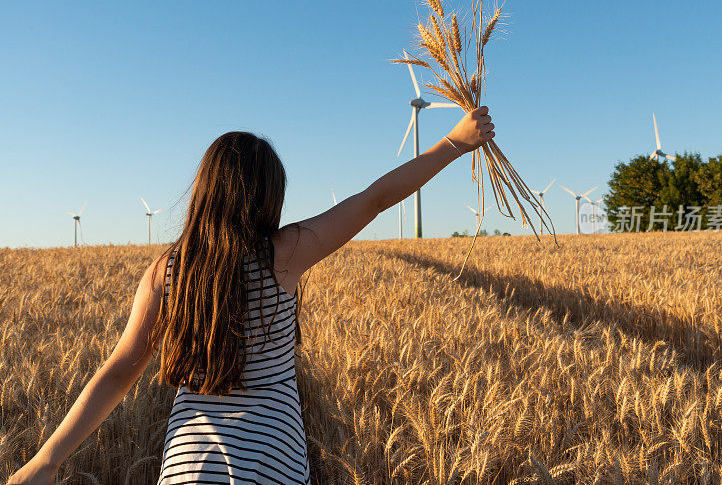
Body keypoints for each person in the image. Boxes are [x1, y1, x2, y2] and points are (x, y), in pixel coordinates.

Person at [7, 106, 494, 485]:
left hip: (188, 467)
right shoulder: (284, 253)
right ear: (268, 198)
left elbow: (116, 374)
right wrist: (455, 141)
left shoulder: (167, 272)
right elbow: (375, 198)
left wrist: (46, 460)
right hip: (272, 465)